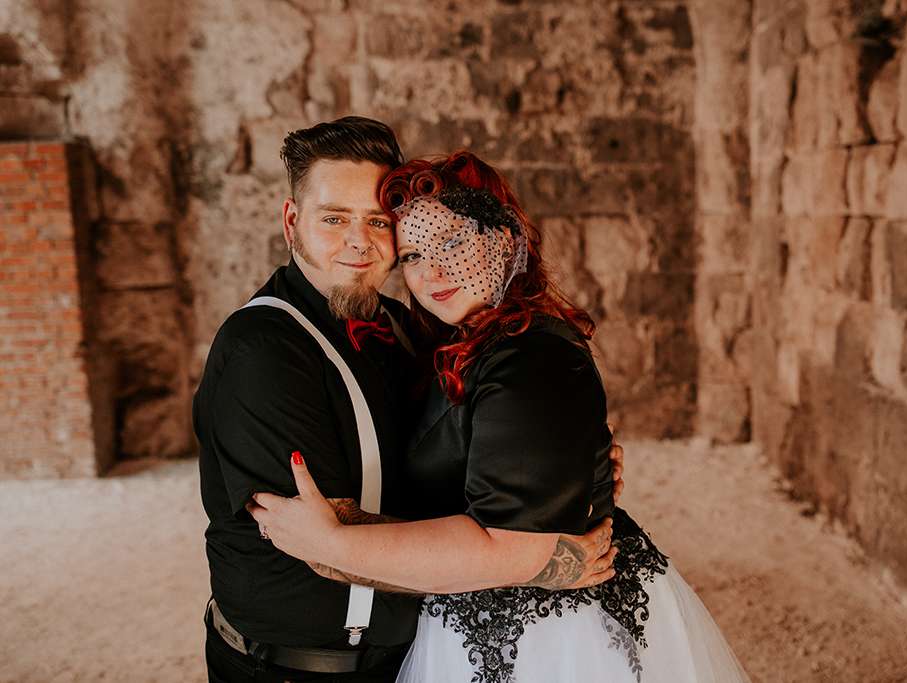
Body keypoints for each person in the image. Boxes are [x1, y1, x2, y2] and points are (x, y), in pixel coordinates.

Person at [248, 151, 752, 682]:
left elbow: (511, 547)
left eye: (451, 243)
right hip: (472, 617)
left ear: (506, 240)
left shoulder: (530, 357)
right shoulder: (456, 343)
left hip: (546, 639)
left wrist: (329, 544)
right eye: (413, 255)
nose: (431, 272)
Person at [195, 119, 620, 683]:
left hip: (409, 652)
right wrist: (537, 560)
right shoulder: (263, 350)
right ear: (292, 221)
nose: (359, 241)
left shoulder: (403, 325)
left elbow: (464, 444)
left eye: (377, 222)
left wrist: (558, 469)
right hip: (298, 668)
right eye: (334, 218)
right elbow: (320, 544)